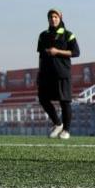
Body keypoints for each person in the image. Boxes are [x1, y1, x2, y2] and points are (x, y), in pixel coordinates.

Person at [36, 8, 80, 140]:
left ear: (60, 18)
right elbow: (41, 56)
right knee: (43, 99)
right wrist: (39, 73)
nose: (53, 19)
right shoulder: (43, 35)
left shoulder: (68, 35)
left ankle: (66, 130)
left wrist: (58, 51)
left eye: (55, 17)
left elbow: (76, 53)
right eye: (50, 17)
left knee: (64, 102)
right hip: (46, 74)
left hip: (62, 73)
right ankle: (58, 123)